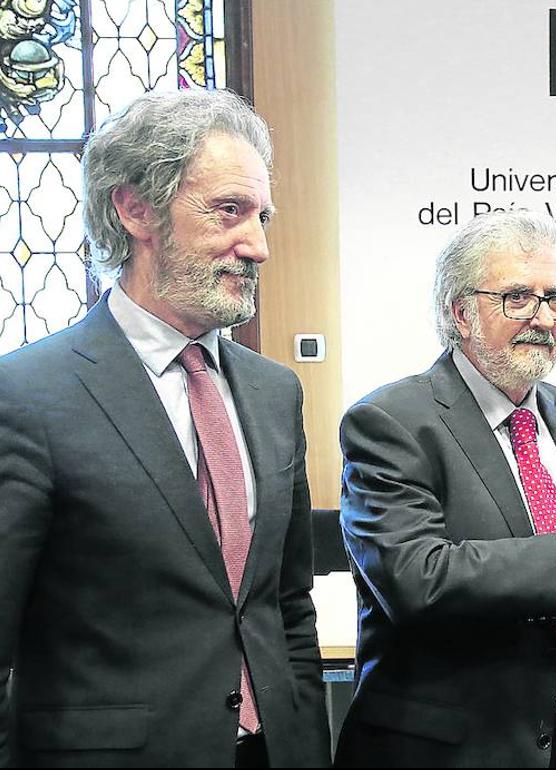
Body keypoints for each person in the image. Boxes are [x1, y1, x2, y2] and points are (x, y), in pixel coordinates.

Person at [0, 89, 330, 767]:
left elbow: (287, 604)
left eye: (263, 217)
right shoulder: (27, 395)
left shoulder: (273, 394)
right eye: (229, 212)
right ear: (136, 208)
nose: (259, 246)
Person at [335, 210, 556, 768]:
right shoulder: (390, 422)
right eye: (518, 297)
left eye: (555, 299)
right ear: (460, 312)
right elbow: (419, 581)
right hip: (463, 751)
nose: (542, 318)